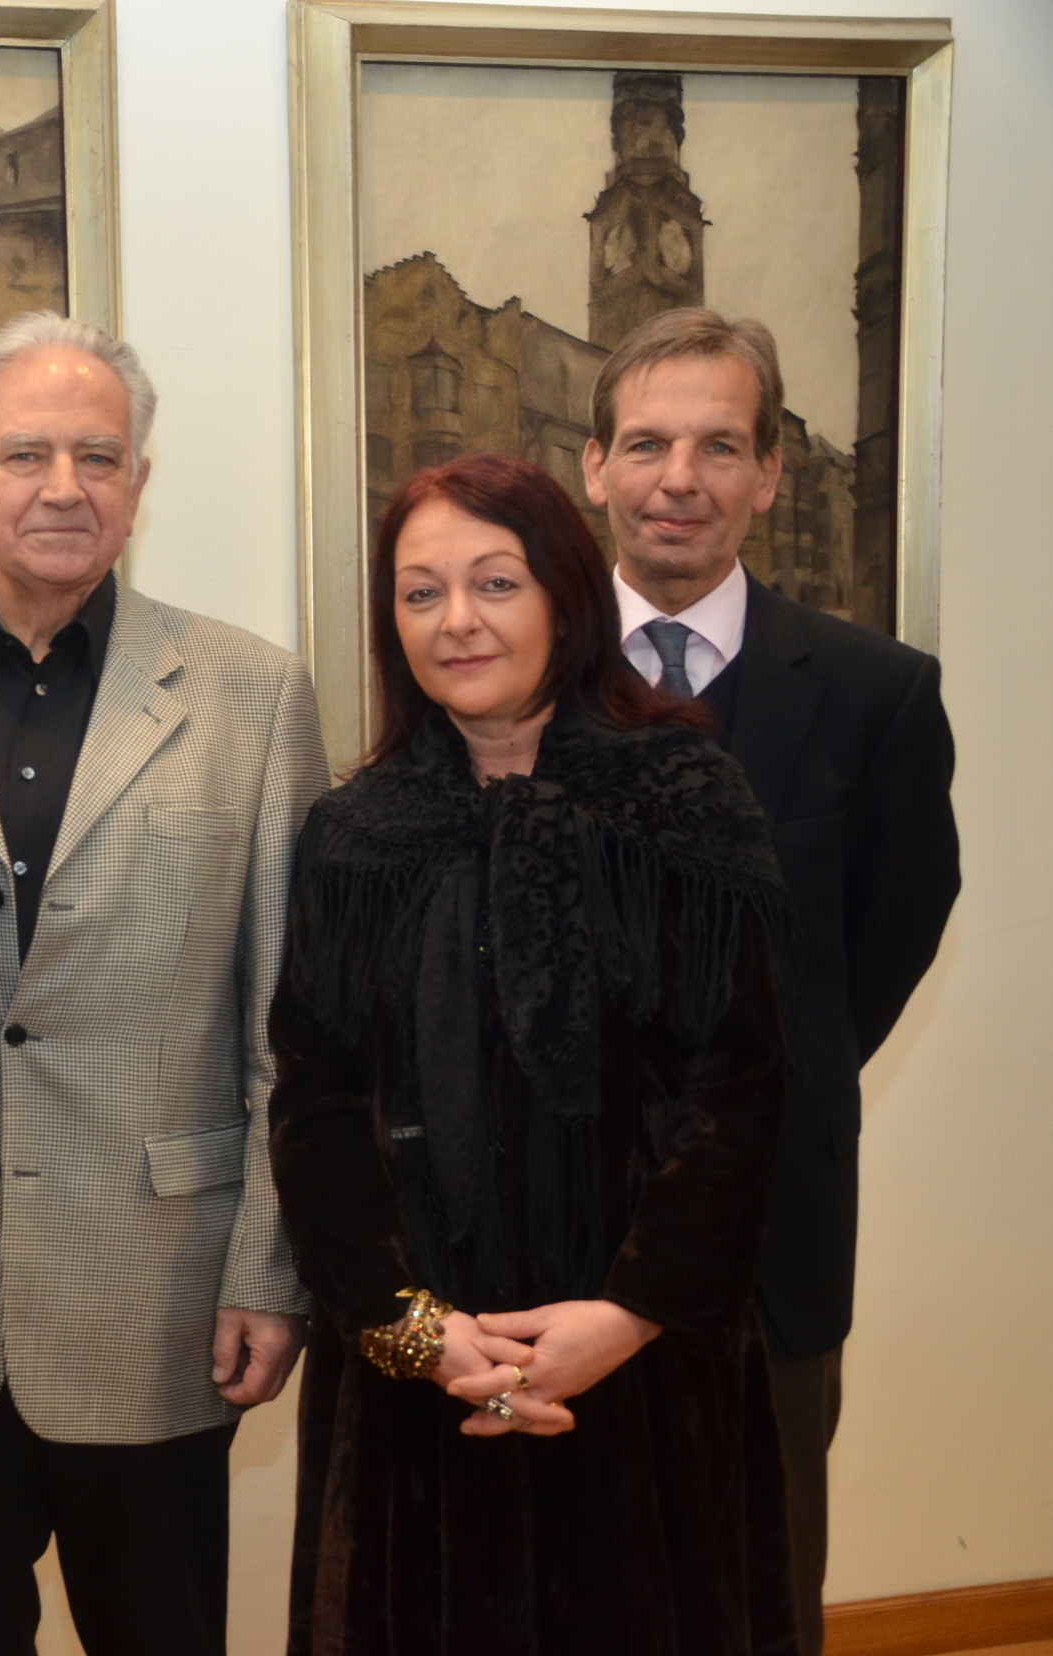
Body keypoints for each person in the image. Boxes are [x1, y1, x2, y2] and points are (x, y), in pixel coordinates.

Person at [0, 312, 328, 1656]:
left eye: (99, 457)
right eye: (27, 454)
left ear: (139, 483)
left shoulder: (254, 696)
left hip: (161, 1296)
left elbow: (290, 1022)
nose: (65, 485)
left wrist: (271, 1270)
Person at [269, 451, 798, 1655]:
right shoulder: (353, 834)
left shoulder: (684, 798)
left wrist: (620, 1318)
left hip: (639, 1374)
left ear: (565, 593)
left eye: (493, 583)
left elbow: (744, 1093)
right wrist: (415, 1334)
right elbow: (313, 1103)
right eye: (418, 592)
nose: (455, 621)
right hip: (415, 1388)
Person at [583, 307, 958, 1653]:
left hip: (773, 1241)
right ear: (596, 468)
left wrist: (765, 1090)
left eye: (718, 445)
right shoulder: (514, 676)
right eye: (648, 442)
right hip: (545, 1229)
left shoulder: (875, 693)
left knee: (759, 1580)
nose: (679, 475)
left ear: (770, 473)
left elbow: (894, 923)